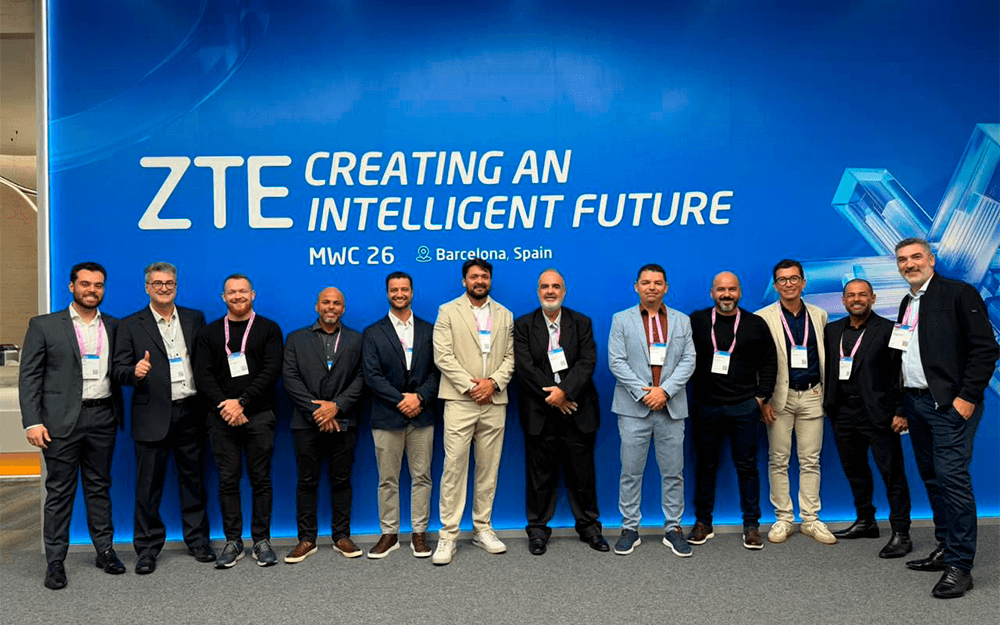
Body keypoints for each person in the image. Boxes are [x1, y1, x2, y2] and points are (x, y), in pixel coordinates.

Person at [893, 238, 998, 599]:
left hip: (949, 406)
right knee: (933, 478)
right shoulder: (908, 302)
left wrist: (966, 398)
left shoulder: (959, 293)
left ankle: (960, 566)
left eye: (916, 257)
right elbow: (905, 356)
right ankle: (945, 546)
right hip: (916, 403)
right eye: (903, 260)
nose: (910, 264)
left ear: (932, 259)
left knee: (952, 481)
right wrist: (903, 406)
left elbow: (986, 349)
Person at [19, 261, 125, 589]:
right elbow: (29, 377)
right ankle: (55, 561)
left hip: (103, 417)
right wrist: (32, 422)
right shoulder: (45, 325)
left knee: (99, 487)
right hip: (60, 422)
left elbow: (119, 370)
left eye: (98, 285)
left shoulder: (115, 326)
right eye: (85, 284)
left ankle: (104, 550)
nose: (92, 290)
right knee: (59, 492)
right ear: (71, 286)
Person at [112, 262, 215, 574]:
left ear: (176, 286)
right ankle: (146, 549)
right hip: (152, 414)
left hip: (191, 411)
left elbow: (206, 362)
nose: (163, 288)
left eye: (169, 283)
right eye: (157, 283)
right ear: (147, 287)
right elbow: (117, 370)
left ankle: (198, 541)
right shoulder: (130, 324)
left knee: (194, 481)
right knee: (148, 487)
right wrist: (134, 372)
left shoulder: (195, 318)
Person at [513, 269, 608, 555]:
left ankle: (590, 528)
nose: (550, 291)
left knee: (583, 476)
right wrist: (555, 397)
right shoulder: (523, 325)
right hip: (540, 413)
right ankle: (537, 531)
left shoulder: (581, 322)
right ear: (538, 291)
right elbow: (525, 367)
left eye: (556, 286)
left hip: (577, 410)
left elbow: (587, 362)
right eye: (545, 286)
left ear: (564, 291)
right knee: (539, 478)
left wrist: (564, 392)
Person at [193, 274, 283, 568]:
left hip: (259, 415)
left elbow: (271, 371)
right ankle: (233, 541)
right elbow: (203, 375)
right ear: (223, 297)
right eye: (231, 292)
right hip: (221, 418)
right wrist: (226, 406)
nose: (237, 296)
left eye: (242, 291)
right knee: (228, 481)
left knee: (261, 480)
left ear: (253, 294)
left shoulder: (269, 329)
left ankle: (261, 541)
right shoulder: (209, 333)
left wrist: (242, 402)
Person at [431, 258, 515, 565]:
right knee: (454, 468)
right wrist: (471, 387)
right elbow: (443, 356)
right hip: (460, 401)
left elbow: (510, 357)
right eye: (474, 276)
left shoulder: (505, 314)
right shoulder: (447, 311)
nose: (480, 281)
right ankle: (448, 535)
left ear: (490, 280)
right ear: (464, 281)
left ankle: (482, 528)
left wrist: (492, 383)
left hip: (494, 400)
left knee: (488, 468)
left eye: (484, 276)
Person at [608, 263, 696, 557]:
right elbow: (616, 361)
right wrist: (645, 394)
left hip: (671, 408)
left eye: (658, 283)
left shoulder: (682, 321)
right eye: (646, 282)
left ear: (666, 287)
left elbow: (689, 360)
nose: (652, 287)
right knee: (631, 472)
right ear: (636, 287)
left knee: (673, 473)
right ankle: (629, 528)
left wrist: (665, 391)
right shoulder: (621, 319)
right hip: (634, 409)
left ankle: (673, 528)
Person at [823, 278, 912, 559]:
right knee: (856, 471)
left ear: (873, 298)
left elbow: (901, 371)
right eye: (851, 295)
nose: (857, 299)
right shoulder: (832, 330)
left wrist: (901, 410)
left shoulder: (889, 330)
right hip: (842, 413)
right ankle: (866, 522)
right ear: (843, 300)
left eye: (862, 294)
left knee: (892, 474)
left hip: (880, 414)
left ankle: (902, 533)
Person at [688, 271, 777, 550]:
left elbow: (770, 362)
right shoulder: (697, 321)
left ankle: (751, 525)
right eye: (721, 289)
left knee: (747, 466)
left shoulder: (755, 323)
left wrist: (761, 398)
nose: (726, 294)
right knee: (705, 466)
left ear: (739, 292)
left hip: (744, 407)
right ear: (712, 293)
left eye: (732, 289)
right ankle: (703, 522)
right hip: (706, 406)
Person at [281, 287, 366, 562]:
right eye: (326, 302)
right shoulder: (296, 338)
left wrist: (336, 407)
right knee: (306, 481)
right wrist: (319, 412)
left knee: (342, 481)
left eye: (337, 303)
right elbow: (290, 378)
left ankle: (342, 536)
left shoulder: (356, 339)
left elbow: (362, 378)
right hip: (306, 423)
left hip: (344, 421)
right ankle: (306, 539)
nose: (331, 307)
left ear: (343, 308)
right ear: (317, 306)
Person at [755, 260, 836, 545]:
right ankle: (784, 519)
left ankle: (811, 519)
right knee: (778, 460)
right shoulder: (763, 317)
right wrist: (763, 399)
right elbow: (757, 363)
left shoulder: (820, 315)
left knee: (810, 460)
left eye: (793, 279)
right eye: (782, 280)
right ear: (775, 285)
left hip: (813, 395)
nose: (788, 284)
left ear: (803, 282)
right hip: (779, 397)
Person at [362, 272, 440, 559]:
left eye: (404, 289)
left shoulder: (430, 330)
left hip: (422, 415)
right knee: (387, 479)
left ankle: (419, 534)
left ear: (412, 292)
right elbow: (372, 376)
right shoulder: (373, 332)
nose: (399, 294)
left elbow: (438, 371)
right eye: (394, 289)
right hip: (386, 417)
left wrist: (419, 398)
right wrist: (401, 400)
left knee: (422, 477)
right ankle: (389, 534)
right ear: (387, 293)